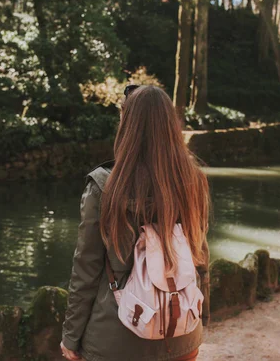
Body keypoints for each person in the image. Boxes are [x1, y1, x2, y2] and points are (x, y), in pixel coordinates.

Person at [60, 85, 210, 361]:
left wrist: (71, 337)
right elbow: (200, 255)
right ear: (170, 125)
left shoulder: (104, 188)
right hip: (180, 334)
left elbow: (86, 270)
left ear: (127, 125)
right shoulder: (192, 181)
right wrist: (201, 318)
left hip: (117, 339)